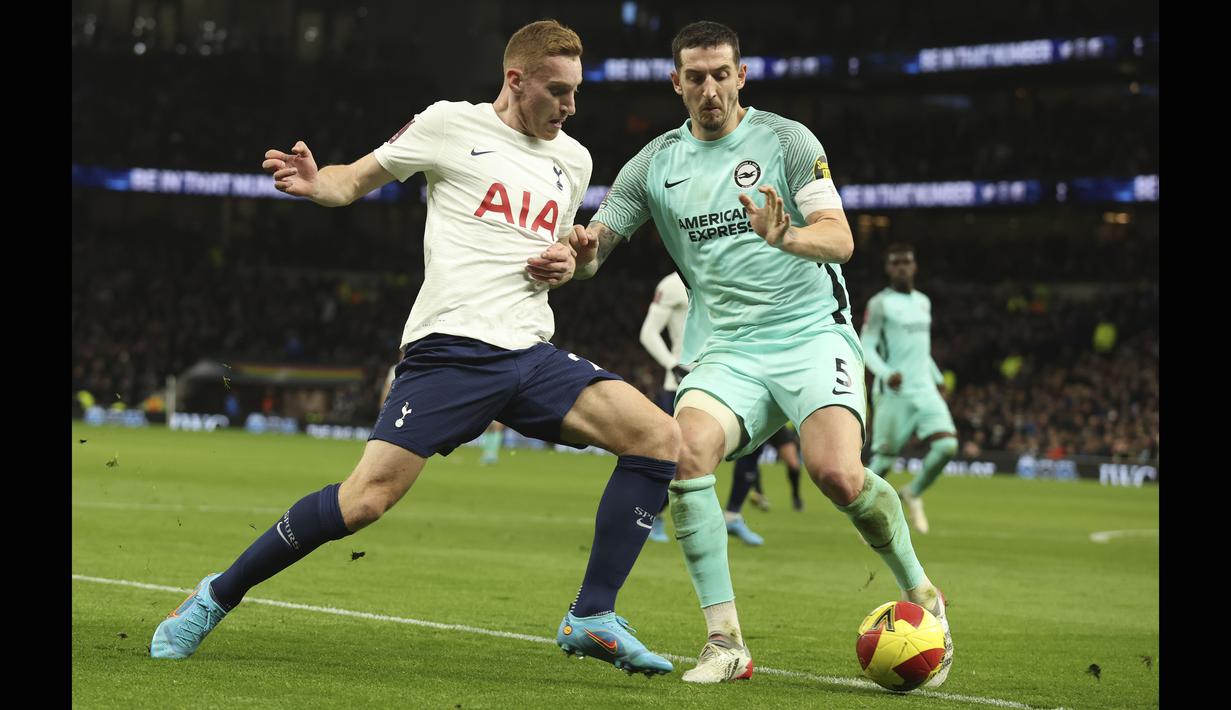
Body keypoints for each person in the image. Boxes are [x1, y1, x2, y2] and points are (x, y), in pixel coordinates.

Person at [150, 20, 680, 678]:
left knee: (658, 438)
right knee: (364, 501)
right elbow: (353, 180)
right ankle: (214, 597)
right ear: (515, 80)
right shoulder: (449, 124)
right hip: (451, 351)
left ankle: (591, 614)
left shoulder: (572, 160)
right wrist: (320, 184)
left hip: (530, 350)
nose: (571, 107)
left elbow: (578, 261)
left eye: (576, 93)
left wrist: (572, 260)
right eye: (557, 91)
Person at [570, 20, 951, 685]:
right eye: (696, 77)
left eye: (721, 74)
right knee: (681, 452)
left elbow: (838, 239)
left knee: (837, 475)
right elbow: (595, 249)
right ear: (676, 83)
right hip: (725, 351)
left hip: (810, 334)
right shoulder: (654, 164)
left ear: (740, 76)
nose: (710, 89)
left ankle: (921, 592)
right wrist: (573, 256)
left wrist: (787, 237)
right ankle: (725, 643)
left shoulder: (787, 142)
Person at [861, 244, 958, 534]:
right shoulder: (880, 303)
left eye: (906, 262)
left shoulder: (923, 302)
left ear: (914, 267)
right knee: (884, 460)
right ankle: (862, 513)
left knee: (947, 446)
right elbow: (866, 345)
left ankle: (912, 493)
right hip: (894, 392)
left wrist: (938, 378)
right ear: (888, 269)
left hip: (924, 387)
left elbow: (920, 350)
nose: (902, 267)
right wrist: (886, 372)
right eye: (896, 263)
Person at [638, 271, 690, 542]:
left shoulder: (723, 270)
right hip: (678, 384)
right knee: (675, 457)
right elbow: (648, 333)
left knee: (695, 458)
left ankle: (733, 514)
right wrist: (672, 364)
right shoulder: (671, 285)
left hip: (716, 379)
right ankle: (650, 515)